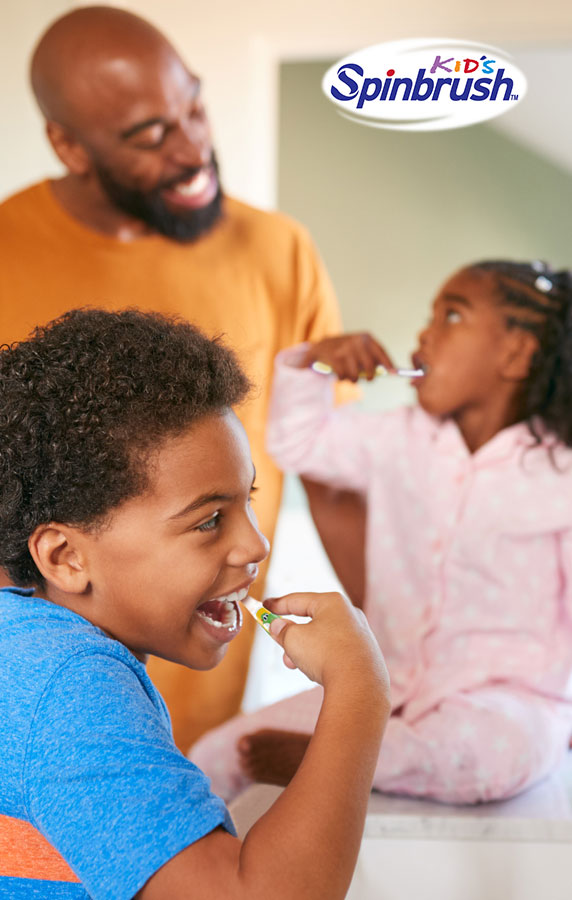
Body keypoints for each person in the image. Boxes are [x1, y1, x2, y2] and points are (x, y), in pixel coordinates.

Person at [0, 6, 348, 752]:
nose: (194, 148)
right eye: (150, 135)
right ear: (69, 144)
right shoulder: (7, 249)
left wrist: (397, 662)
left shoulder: (279, 252)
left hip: (201, 707)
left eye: (194, 107)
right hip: (37, 713)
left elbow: (332, 472)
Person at [0, 308, 389, 899]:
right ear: (65, 557)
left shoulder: (29, 650)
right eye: (209, 520)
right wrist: (361, 689)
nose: (255, 544)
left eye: (247, 500)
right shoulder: (67, 681)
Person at [191, 259, 572, 805]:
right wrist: (315, 367)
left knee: (487, 754)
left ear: (515, 354)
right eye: (431, 316)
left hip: (505, 700)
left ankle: (355, 758)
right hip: (384, 689)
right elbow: (298, 443)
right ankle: (355, 754)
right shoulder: (399, 439)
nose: (425, 333)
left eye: (453, 316)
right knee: (220, 752)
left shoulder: (560, 476)